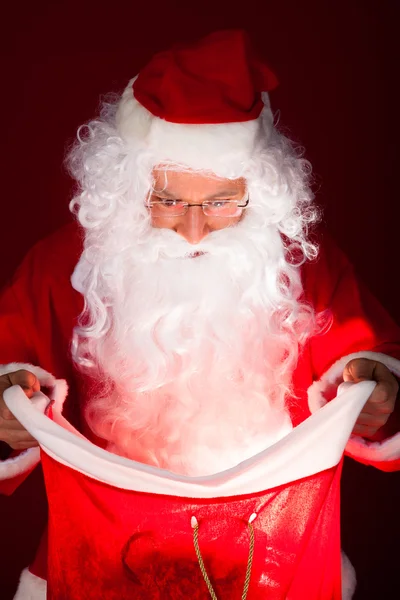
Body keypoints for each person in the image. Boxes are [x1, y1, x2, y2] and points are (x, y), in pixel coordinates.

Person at [0, 29, 399, 599]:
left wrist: (377, 394)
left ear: (257, 193)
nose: (194, 231)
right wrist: (6, 411)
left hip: (269, 555)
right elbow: (5, 364)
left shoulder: (301, 267)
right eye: (168, 202)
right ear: (126, 189)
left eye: (219, 202)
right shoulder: (62, 266)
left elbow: (375, 361)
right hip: (105, 553)